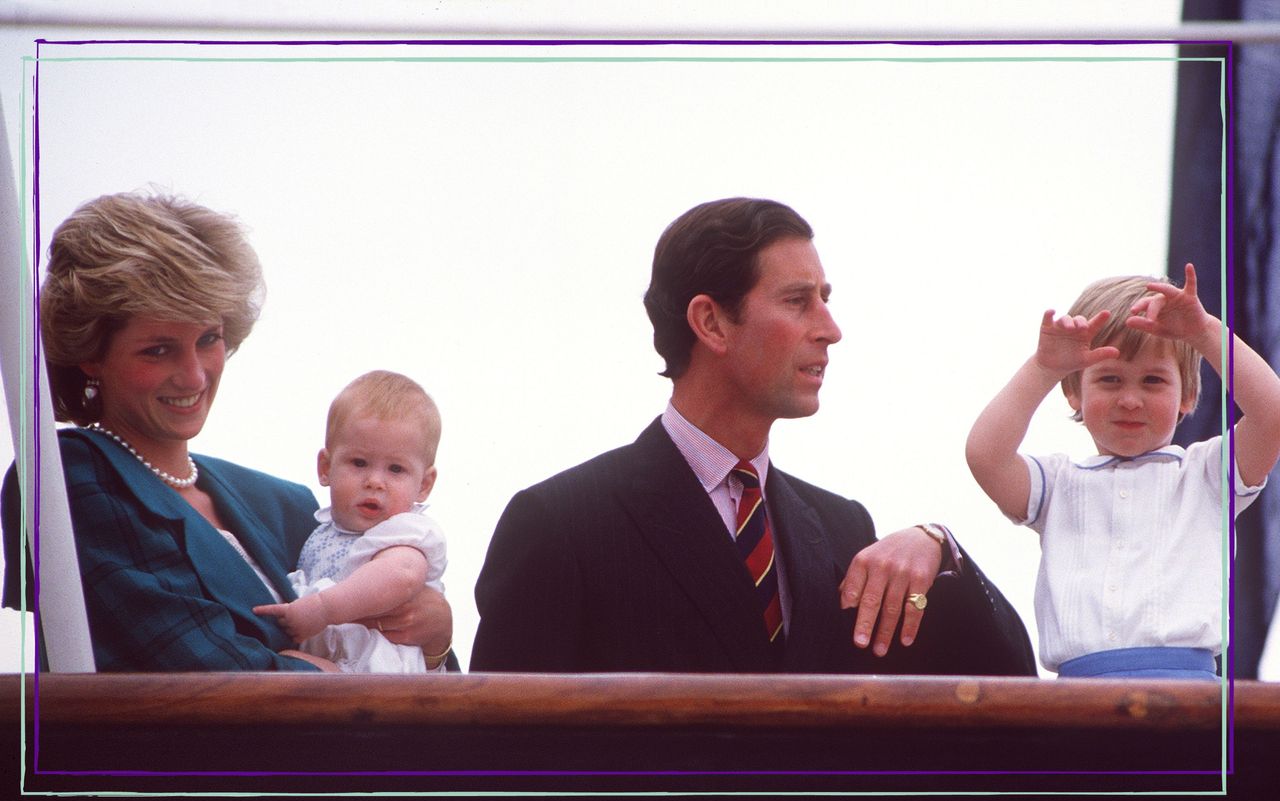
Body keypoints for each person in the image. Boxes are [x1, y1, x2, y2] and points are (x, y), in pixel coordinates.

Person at [470, 197, 1035, 674]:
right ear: (711, 322)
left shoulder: (843, 529)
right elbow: (499, 768)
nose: (831, 330)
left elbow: (1010, 686)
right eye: (797, 301)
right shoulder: (560, 522)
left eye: (825, 299)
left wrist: (940, 546)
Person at [0, 191, 452, 672]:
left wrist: (435, 641)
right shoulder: (69, 477)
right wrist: (329, 680)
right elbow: (195, 665)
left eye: (208, 339)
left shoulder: (290, 505)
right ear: (91, 353)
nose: (194, 375)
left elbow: (407, 676)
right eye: (158, 350)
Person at [965, 264, 1280, 679]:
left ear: (1186, 394)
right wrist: (1043, 369)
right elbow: (985, 455)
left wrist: (1204, 331)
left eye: (1152, 381)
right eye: (1110, 380)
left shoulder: (1207, 474)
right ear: (1075, 391)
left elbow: (1272, 416)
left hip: (1189, 694)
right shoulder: (1058, 484)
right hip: (1077, 699)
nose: (1130, 400)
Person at [253, 371, 450, 673]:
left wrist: (323, 608)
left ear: (424, 484)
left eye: (395, 469)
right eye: (359, 463)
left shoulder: (406, 532)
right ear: (325, 467)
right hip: (341, 653)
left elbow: (401, 575)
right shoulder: (323, 531)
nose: (374, 481)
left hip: (381, 667)